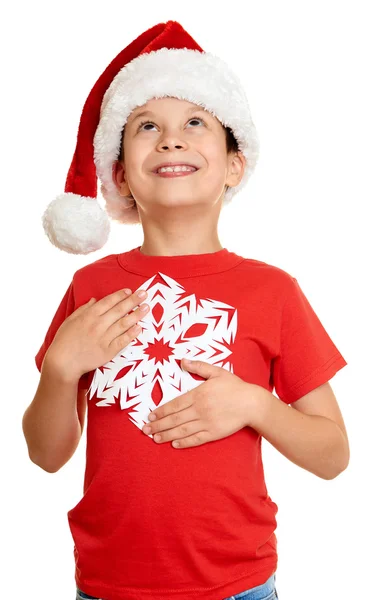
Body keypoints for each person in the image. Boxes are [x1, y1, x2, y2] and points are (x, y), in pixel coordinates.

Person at [22, 20, 349, 600]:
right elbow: (48, 456)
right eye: (147, 126)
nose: (171, 140)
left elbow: (332, 455)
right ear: (119, 174)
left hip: (238, 586)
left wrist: (253, 404)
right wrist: (59, 369)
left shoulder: (274, 291)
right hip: (106, 584)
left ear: (232, 165)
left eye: (195, 123)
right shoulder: (89, 285)